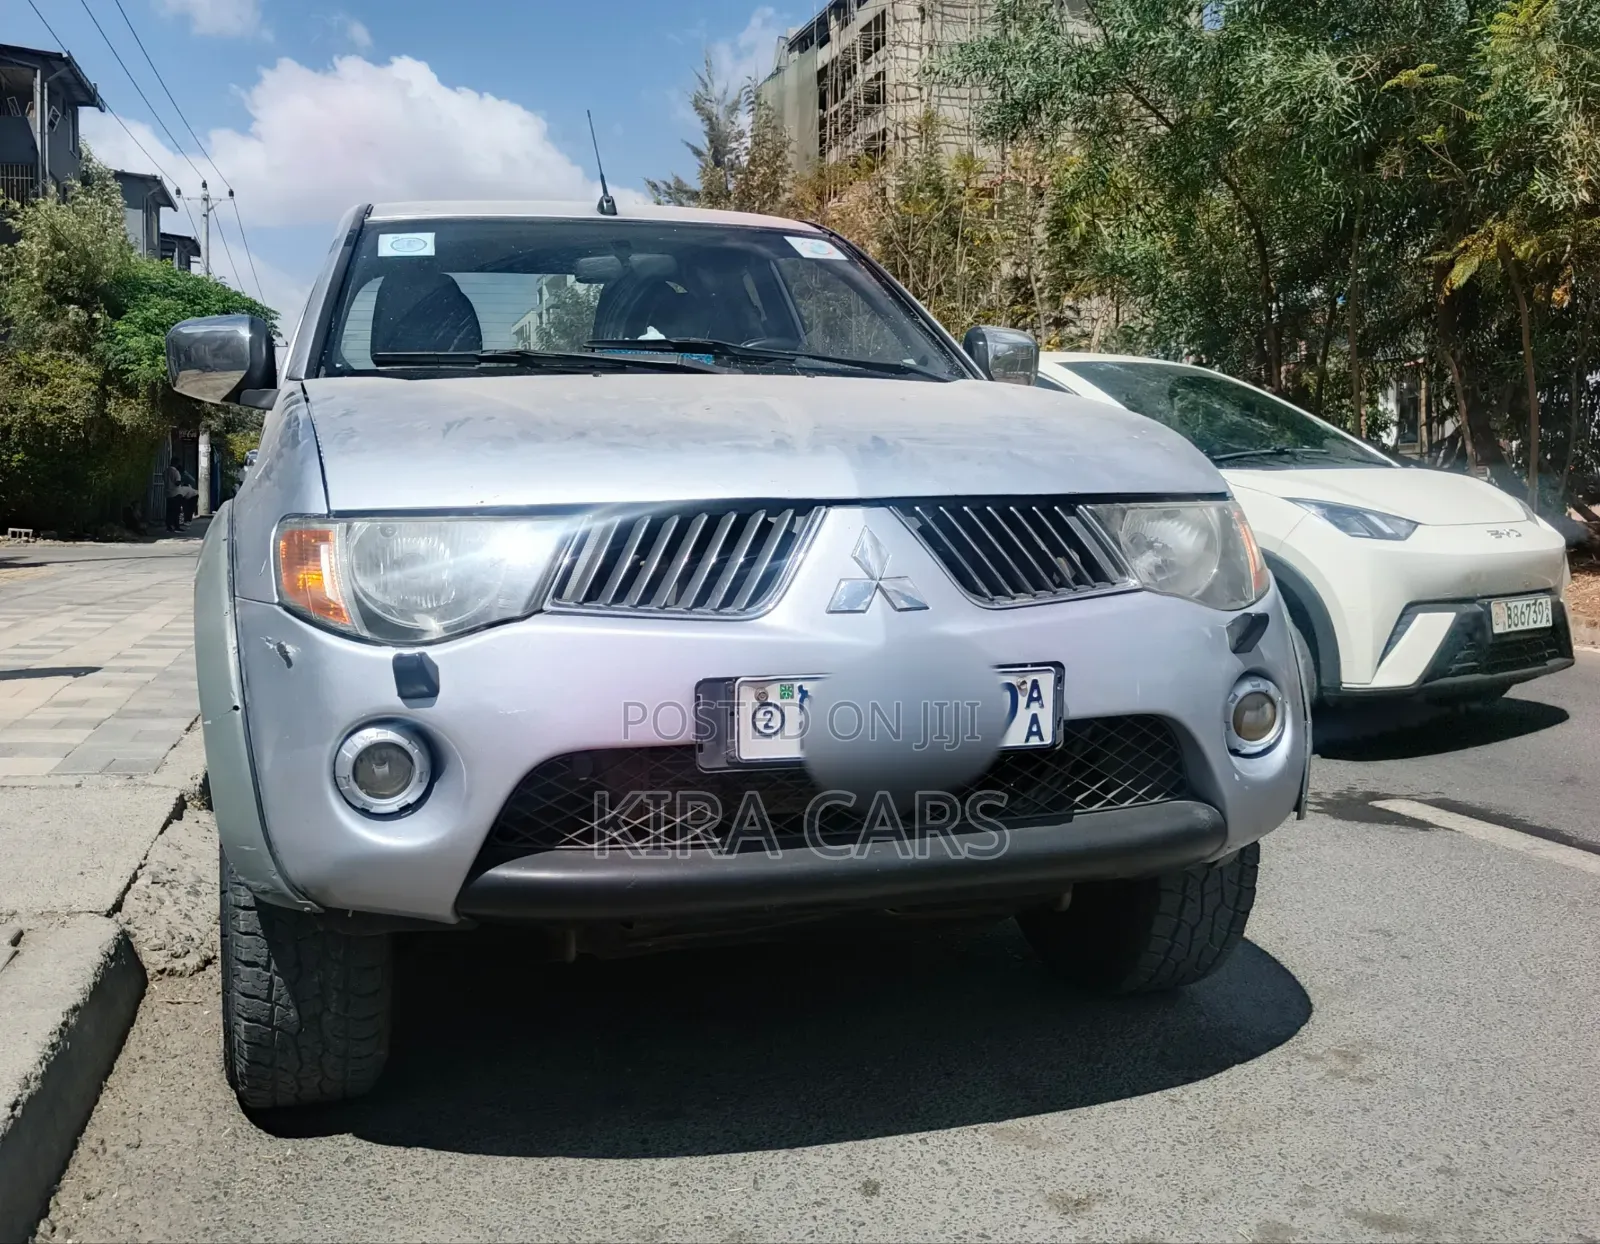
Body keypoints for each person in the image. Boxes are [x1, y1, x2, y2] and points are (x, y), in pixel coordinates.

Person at [164, 461, 183, 532]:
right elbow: (177, 482)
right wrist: (181, 482)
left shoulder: (165, 471)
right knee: (176, 511)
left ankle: (169, 526)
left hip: (168, 492)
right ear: (176, 464)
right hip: (176, 493)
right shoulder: (176, 472)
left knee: (169, 511)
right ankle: (176, 526)